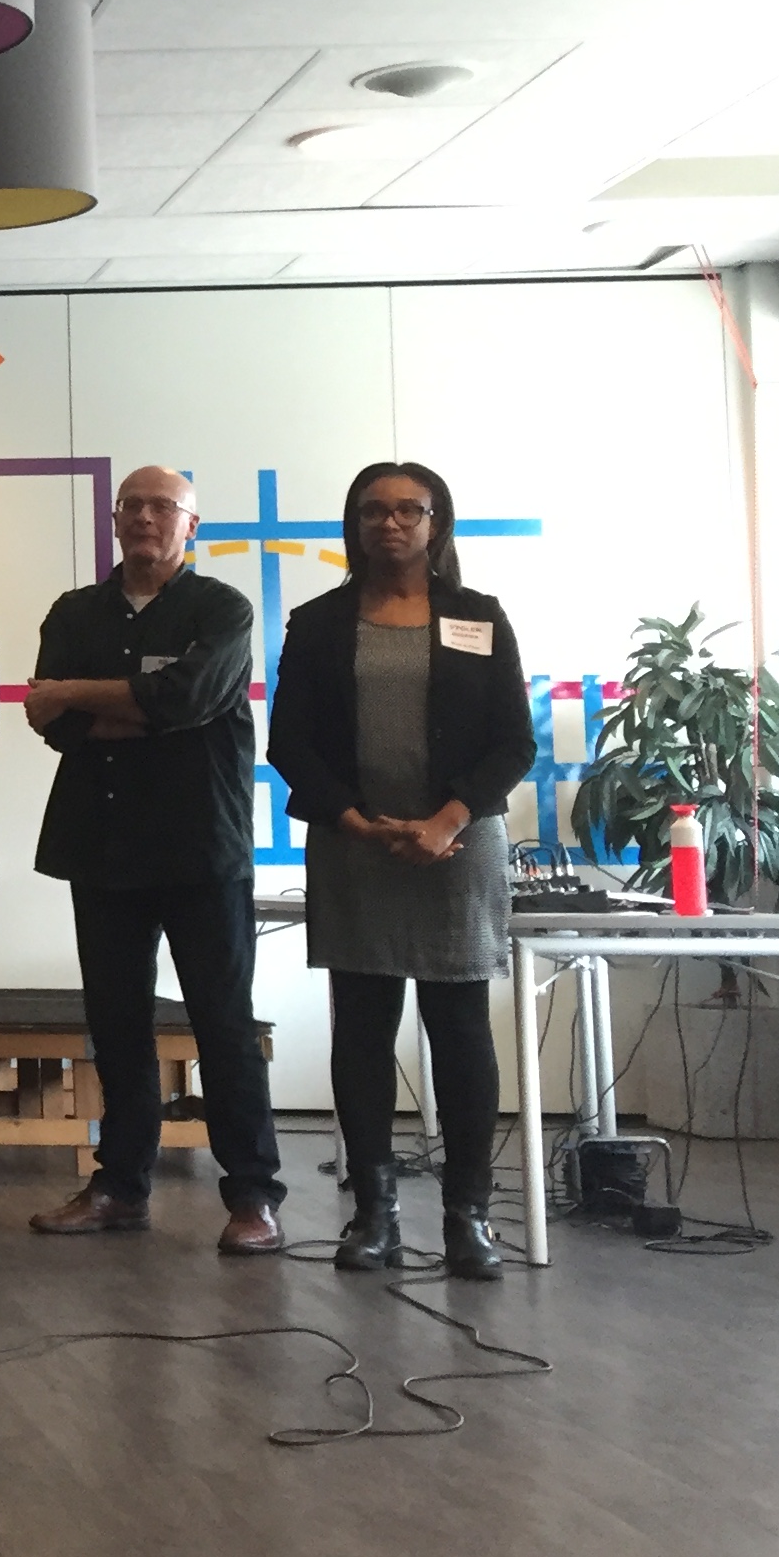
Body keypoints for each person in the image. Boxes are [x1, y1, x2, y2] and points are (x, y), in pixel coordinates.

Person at [268, 462, 531, 1282]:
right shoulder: (317, 623)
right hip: (355, 844)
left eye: (409, 510)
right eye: (373, 510)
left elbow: (514, 742)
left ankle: (468, 1218)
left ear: (436, 523)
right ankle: (373, 1215)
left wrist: (447, 819)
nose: (390, 523)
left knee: (460, 1029)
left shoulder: (479, 618)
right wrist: (351, 819)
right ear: (353, 524)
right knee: (362, 1026)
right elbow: (289, 743)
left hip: (458, 843)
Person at [24, 467, 288, 1252]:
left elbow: (188, 698)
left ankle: (252, 1197)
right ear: (114, 520)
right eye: (131, 505)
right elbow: (53, 722)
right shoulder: (75, 611)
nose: (145, 517)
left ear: (191, 525)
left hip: (201, 846)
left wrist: (79, 692)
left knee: (223, 1026)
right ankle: (120, 1187)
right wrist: (125, 705)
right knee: (117, 1026)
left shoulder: (222, 609)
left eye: (163, 506)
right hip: (101, 845)